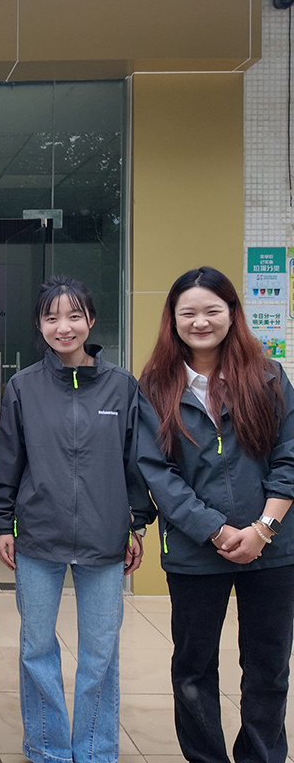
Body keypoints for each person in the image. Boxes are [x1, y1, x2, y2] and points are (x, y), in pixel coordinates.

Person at [0, 274, 155, 763]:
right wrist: (2, 524)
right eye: (52, 317)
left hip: (105, 538)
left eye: (74, 315)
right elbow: (8, 460)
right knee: (36, 648)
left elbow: (136, 462)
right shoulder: (23, 387)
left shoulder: (122, 386)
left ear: (91, 320)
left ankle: (96, 751)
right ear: (39, 325)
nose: (64, 327)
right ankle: (48, 749)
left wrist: (136, 522)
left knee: (100, 654)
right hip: (38, 537)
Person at [137, 266, 294, 763]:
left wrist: (263, 529)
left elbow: (289, 457)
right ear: (173, 319)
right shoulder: (155, 384)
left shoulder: (268, 376)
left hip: (272, 549)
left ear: (232, 313)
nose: (200, 321)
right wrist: (216, 529)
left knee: (268, 667)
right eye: (188, 312)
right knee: (193, 668)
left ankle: (261, 756)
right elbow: (156, 471)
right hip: (194, 551)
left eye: (212, 310)